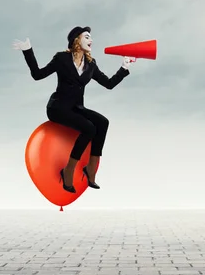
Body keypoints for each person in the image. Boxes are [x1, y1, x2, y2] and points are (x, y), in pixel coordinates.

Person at [12, 26, 133, 193]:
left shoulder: (91, 64)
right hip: (58, 108)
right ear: (76, 40)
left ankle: (91, 168)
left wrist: (124, 67)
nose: (91, 40)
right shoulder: (62, 58)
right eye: (87, 37)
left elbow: (109, 84)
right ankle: (68, 169)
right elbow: (37, 74)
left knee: (103, 122)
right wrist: (27, 50)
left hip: (76, 107)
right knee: (89, 128)